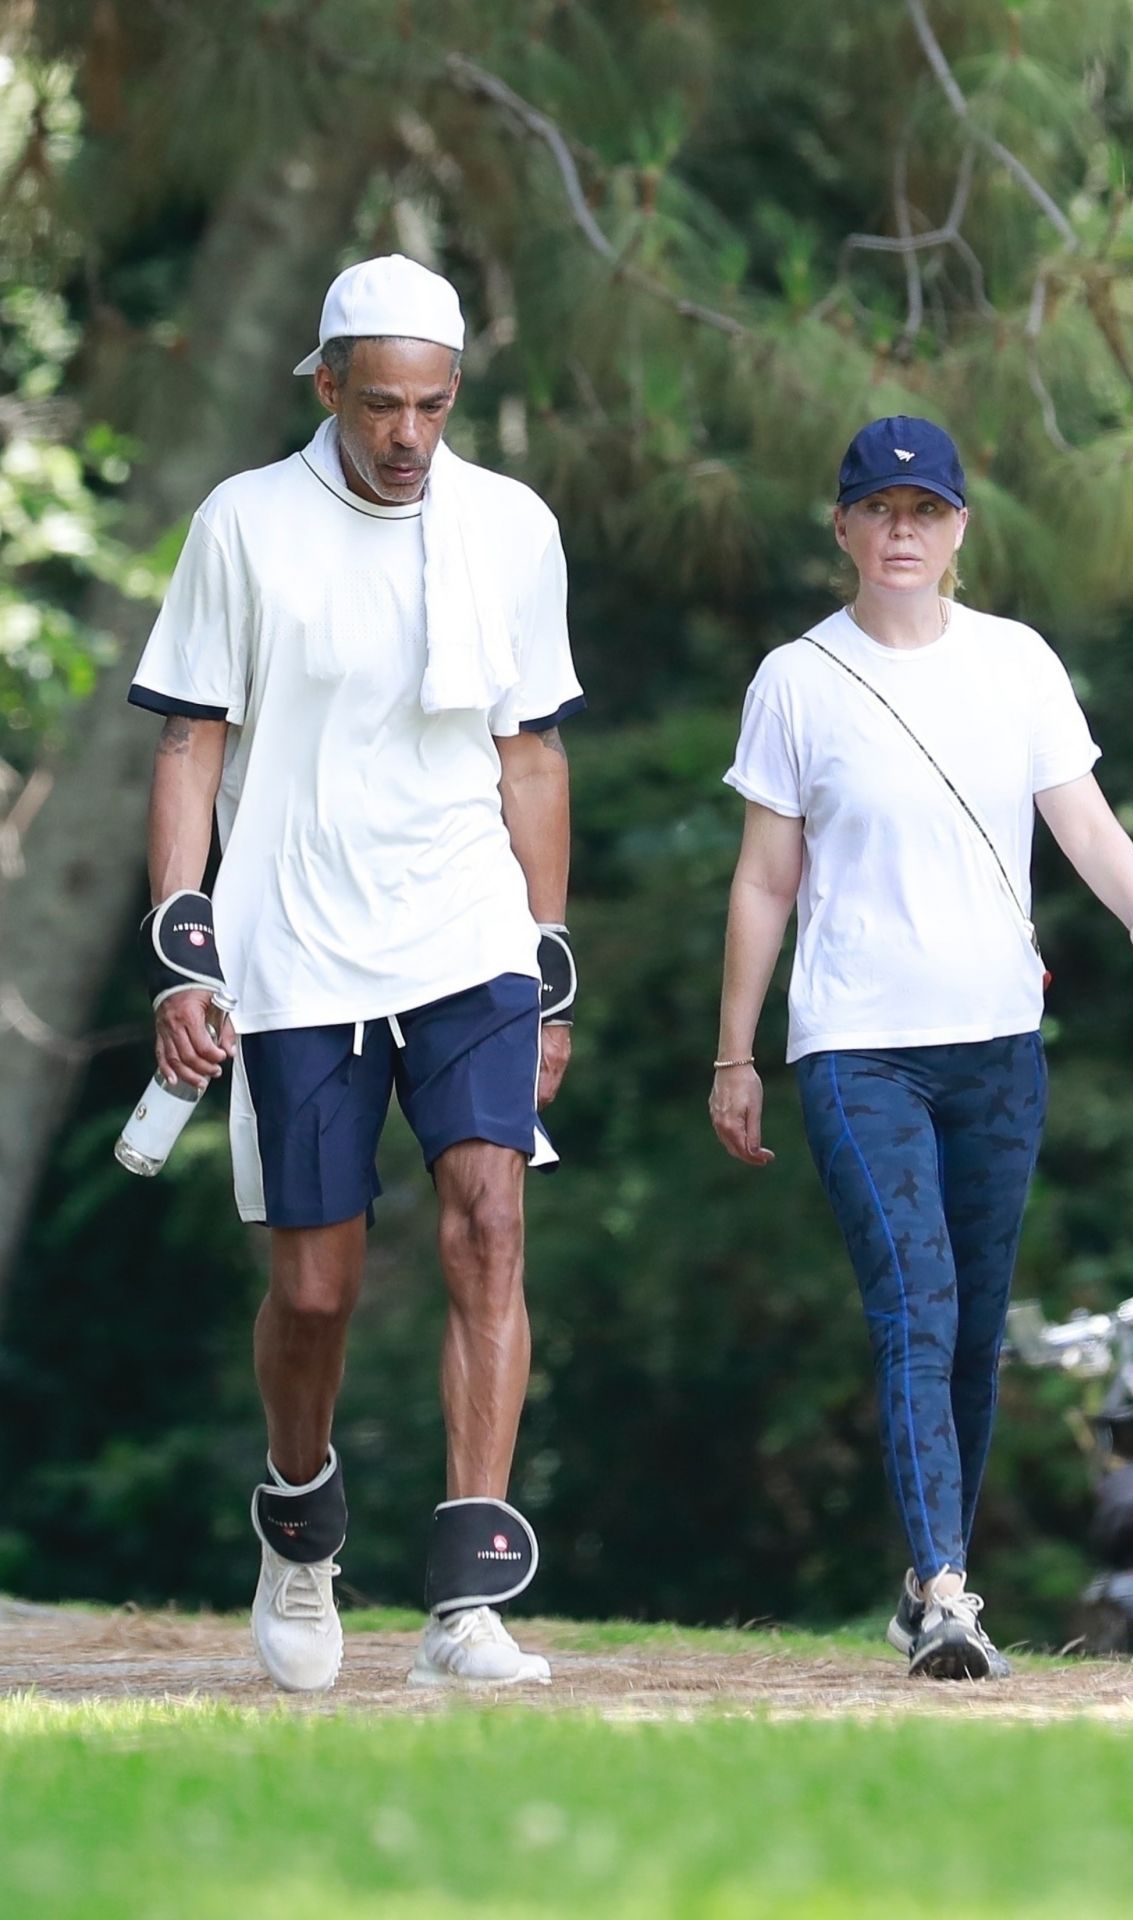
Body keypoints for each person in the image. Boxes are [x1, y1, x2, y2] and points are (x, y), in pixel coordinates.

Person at [128, 254, 584, 1692]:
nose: (406, 435)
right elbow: (191, 741)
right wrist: (181, 946)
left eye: (433, 407)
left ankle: (467, 1601)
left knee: (490, 1221)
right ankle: (301, 1527)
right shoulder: (245, 524)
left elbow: (531, 752)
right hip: (298, 941)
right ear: (325, 386)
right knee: (317, 1289)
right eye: (380, 403)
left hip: (464, 929)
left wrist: (549, 959)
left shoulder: (510, 528)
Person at [709, 415, 1133, 1679]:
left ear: (960, 527)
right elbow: (764, 880)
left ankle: (934, 1578)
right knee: (912, 1307)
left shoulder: (1014, 663)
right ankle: (944, 1587)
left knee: (973, 1326)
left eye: (925, 512)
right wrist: (734, 1053)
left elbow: (1075, 811)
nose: (902, 531)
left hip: (995, 1041)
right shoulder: (795, 680)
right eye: (879, 511)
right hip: (857, 1044)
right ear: (844, 528)